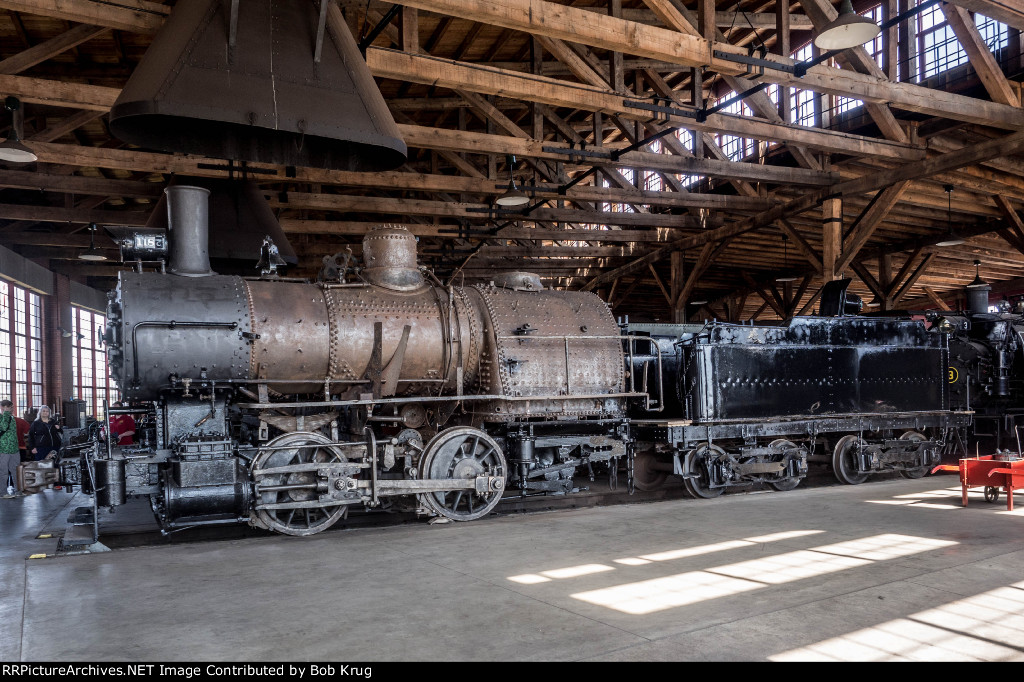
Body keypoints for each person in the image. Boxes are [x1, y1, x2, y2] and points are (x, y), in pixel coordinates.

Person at [0, 400, 22, 498]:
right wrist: (5, 413)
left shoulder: (12, 418)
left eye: (12, 407)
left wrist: (17, 447)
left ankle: (18, 490)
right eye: (10, 407)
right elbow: (4, 427)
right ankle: (3, 493)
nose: (12, 409)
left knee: (16, 471)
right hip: (3, 449)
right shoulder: (2, 417)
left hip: (14, 449)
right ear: (3, 407)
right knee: (3, 472)